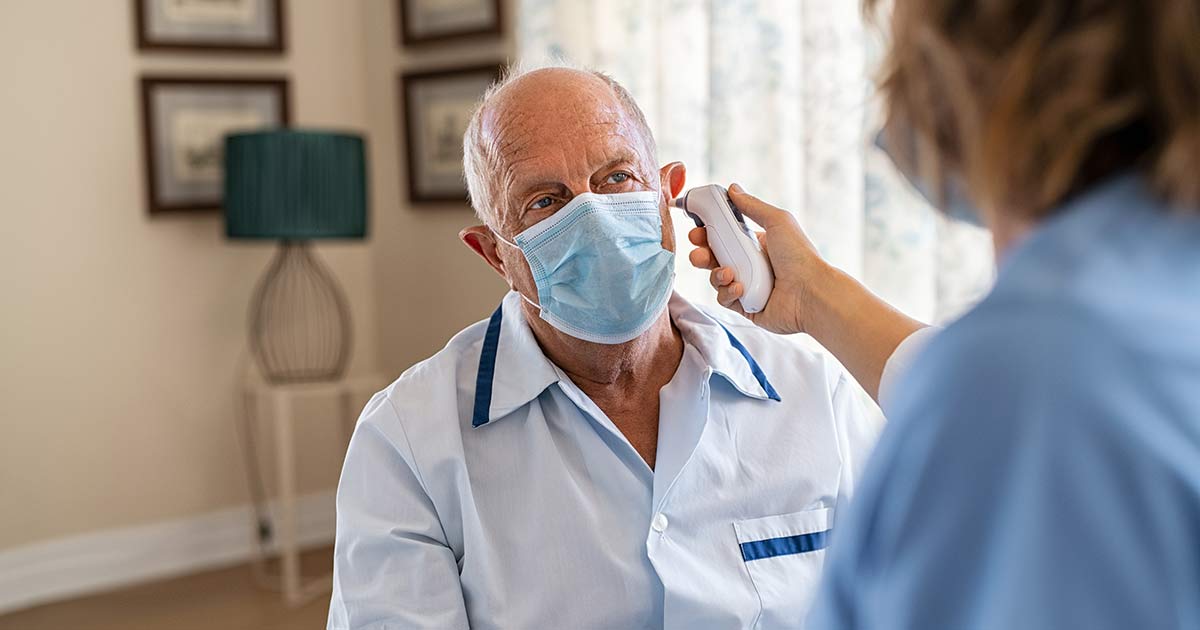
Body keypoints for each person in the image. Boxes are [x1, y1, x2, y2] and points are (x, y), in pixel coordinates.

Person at [688, 1, 1200, 628]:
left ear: (968, 62)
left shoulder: (1025, 381)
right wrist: (813, 296)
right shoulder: (1138, 303)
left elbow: (1018, 397)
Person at [327, 66, 885, 630]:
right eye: (545, 201)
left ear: (669, 194)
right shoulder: (406, 443)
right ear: (495, 256)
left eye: (617, 177)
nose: (593, 218)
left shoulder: (814, 392)